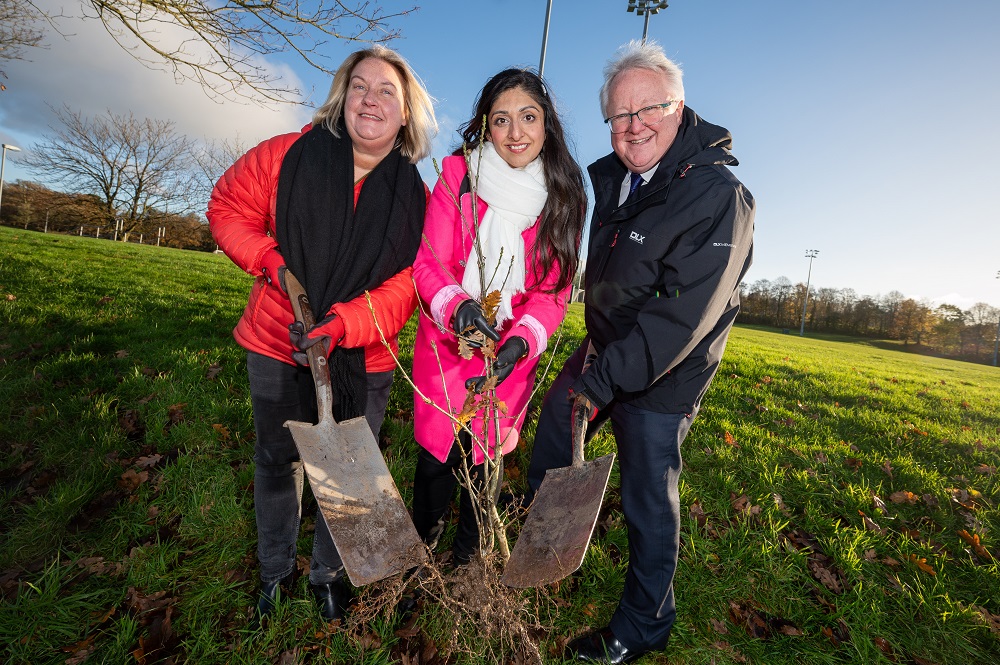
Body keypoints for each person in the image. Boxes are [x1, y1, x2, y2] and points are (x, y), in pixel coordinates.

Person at [526, 41, 754, 663]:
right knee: (553, 429)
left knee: (647, 494)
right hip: (604, 346)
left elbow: (680, 317)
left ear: (679, 108)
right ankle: (534, 548)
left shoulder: (715, 196)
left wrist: (607, 381)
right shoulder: (620, 180)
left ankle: (644, 625)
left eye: (648, 108)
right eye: (620, 117)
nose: (634, 127)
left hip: (665, 371)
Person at [206, 45, 436, 625]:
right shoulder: (288, 155)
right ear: (342, 95)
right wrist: (273, 263)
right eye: (360, 86)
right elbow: (227, 206)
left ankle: (327, 576)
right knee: (277, 460)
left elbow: (411, 282)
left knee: (349, 469)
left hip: (365, 354)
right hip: (278, 341)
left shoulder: (416, 197)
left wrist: (346, 324)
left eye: (388, 91)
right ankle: (275, 571)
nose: (372, 99)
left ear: (406, 113)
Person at [410, 69, 586, 566]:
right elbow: (428, 261)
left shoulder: (564, 199)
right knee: (435, 455)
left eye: (528, 118)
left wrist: (522, 343)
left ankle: (467, 558)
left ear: (546, 125)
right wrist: (458, 307)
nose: (516, 133)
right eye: (502, 120)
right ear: (486, 126)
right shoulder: (458, 175)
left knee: (487, 456)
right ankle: (421, 541)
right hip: (449, 342)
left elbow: (552, 294)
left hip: (508, 350)